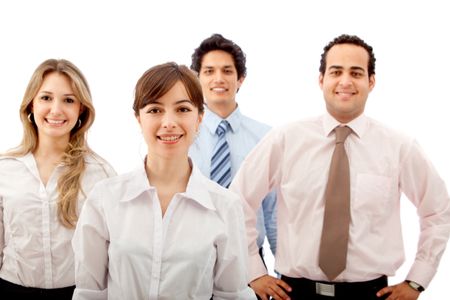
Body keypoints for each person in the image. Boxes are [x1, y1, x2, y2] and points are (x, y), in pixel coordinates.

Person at [230, 34, 450, 300]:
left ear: (371, 82)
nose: (345, 81)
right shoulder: (285, 139)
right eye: (336, 71)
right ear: (321, 80)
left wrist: (417, 280)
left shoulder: (399, 147)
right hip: (293, 293)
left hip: (372, 293)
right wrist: (254, 271)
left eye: (356, 73)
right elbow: (236, 201)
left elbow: (438, 211)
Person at [71, 62, 256, 300]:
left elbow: (232, 296)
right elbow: (89, 293)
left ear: (200, 118)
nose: (169, 122)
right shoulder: (105, 199)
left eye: (182, 110)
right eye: (155, 110)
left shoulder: (225, 206)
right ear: (138, 119)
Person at [0, 59, 116, 300]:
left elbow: (112, 254)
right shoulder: (5, 169)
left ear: (81, 109)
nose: (56, 110)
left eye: (68, 100)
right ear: (31, 104)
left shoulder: (101, 173)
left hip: (77, 294)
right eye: (46, 98)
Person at [189, 33, 277, 268]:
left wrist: (282, 273)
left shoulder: (266, 137)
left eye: (227, 71)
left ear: (241, 79)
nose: (219, 79)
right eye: (209, 71)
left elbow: (275, 209)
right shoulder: (181, 135)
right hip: (189, 260)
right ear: (196, 79)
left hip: (249, 262)